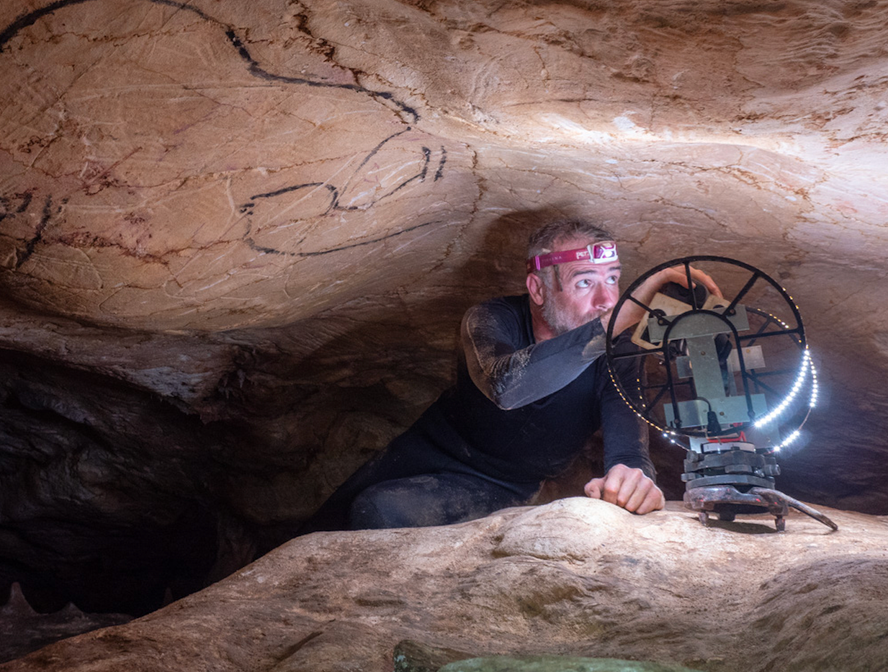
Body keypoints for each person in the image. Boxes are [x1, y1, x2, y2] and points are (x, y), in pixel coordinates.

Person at [305, 219, 720, 530]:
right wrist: (619, 320)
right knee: (320, 527)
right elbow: (506, 385)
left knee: (378, 510)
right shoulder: (491, 318)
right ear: (538, 290)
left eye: (613, 280)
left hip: (500, 485)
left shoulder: (619, 352)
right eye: (585, 282)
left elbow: (629, 449)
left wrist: (635, 480)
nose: (605, 300)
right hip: (422, 451)